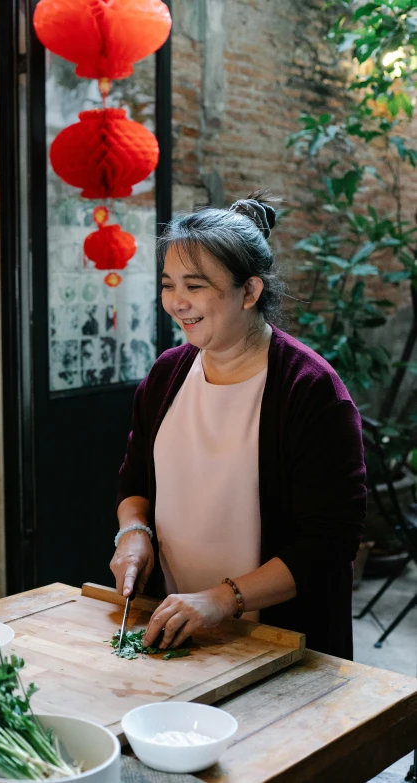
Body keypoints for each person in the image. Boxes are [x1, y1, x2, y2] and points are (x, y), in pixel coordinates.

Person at [110, 192, 366, 660]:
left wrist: (220, 600)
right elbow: (134, 482)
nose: (177, 303)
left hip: (277, 640)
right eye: (168, 285)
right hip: (175, 629)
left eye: (195, 285)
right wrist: (133, 534)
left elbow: (328, 544)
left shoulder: (311, 393)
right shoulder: (167, 374)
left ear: (250, 291)